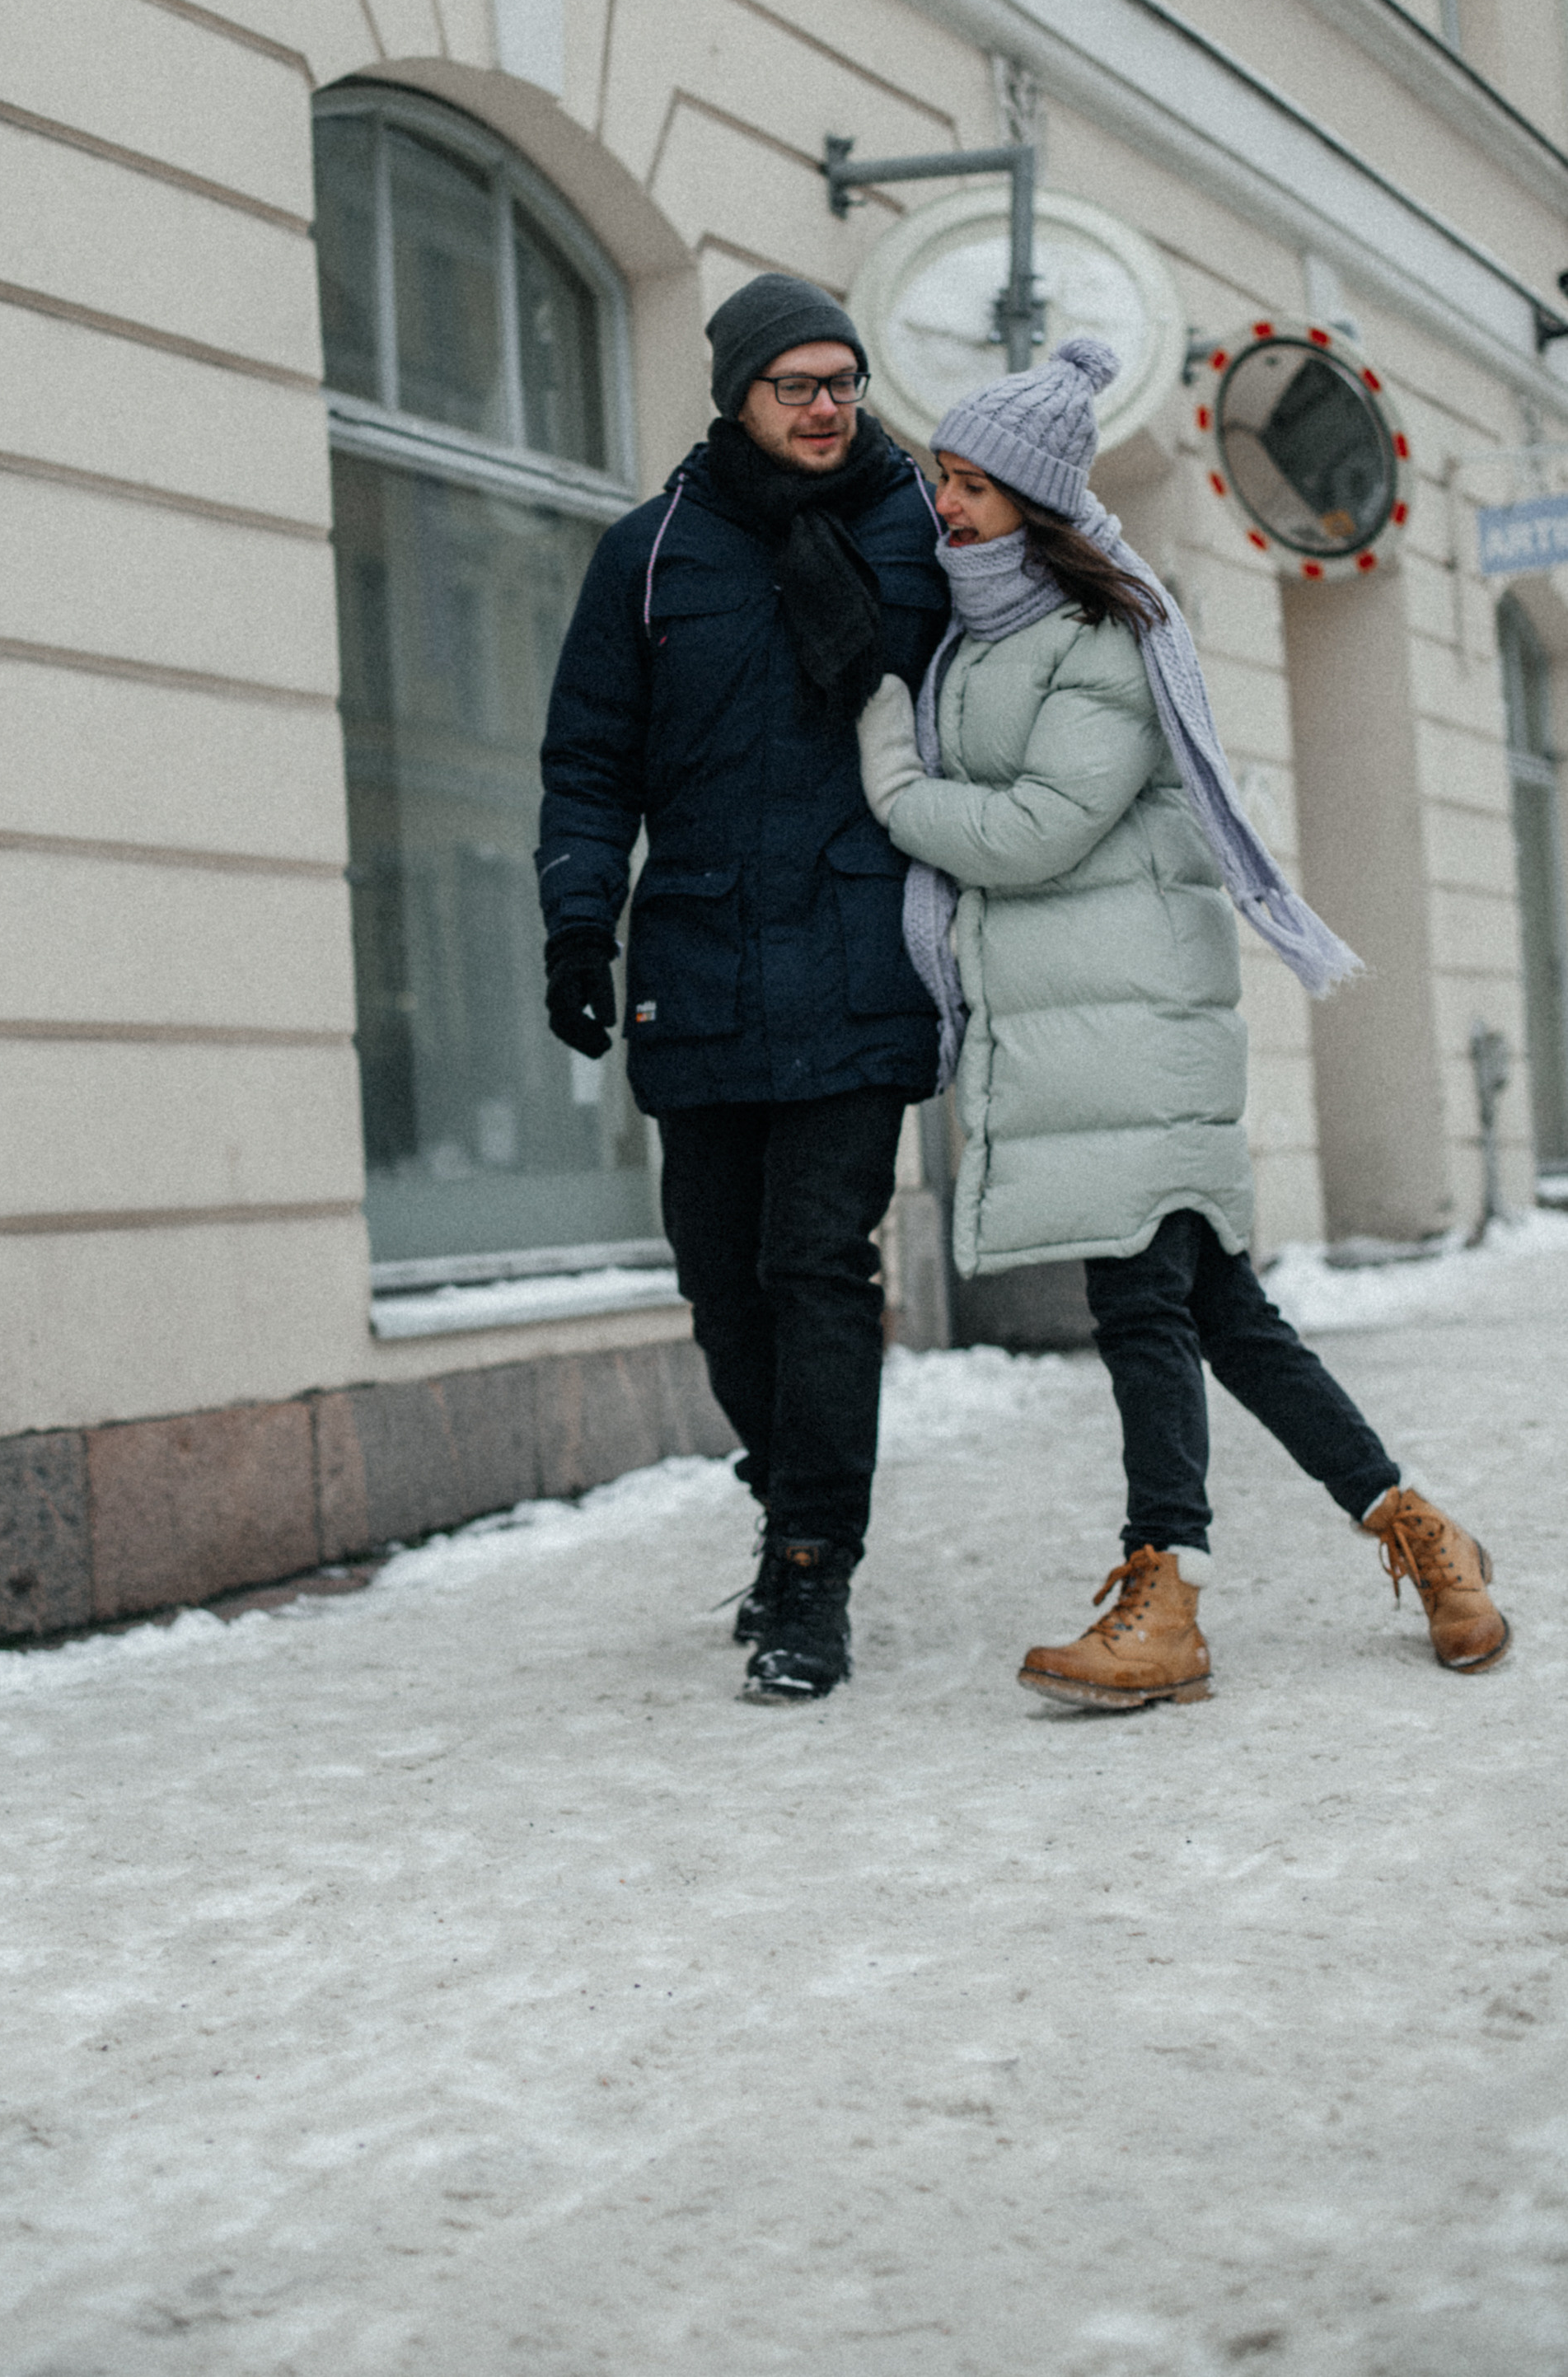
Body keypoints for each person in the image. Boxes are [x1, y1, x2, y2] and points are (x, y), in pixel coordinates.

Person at [854, 333, 1510, 1705]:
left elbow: (1034, 832)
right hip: (1071, 1024)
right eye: (941, 480)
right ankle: (1420, 1531)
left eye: (971, 485)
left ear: (1033, 501)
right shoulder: (979, 637)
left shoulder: (1100, 632)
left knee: (1141, 1302)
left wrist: (892, 778)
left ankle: (1167, 1603)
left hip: (1134, 1019)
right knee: (1227, 1317)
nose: (948, 508)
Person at [537, 274, 948, 1701]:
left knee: (817, 1265)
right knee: (721, 1281)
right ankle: (792, 1502)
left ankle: (811, 1573)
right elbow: (590, 762)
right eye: (798, 386)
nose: (828, 409)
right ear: (738, 398)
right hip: (699, 959)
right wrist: (575, 926)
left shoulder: (922, 528)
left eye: (844, 383)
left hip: (859, 947)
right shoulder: (649, 556)